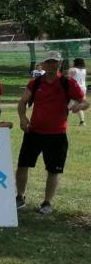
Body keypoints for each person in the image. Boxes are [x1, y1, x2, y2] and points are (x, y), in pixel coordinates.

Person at [16, 51, 88, 214]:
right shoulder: (35, 83)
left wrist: (79, 107)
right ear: (43, 64)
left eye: (54, 62)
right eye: (48, 62)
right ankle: (20, 197)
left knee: (53, 170)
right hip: (33, 132)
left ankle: (47, 203)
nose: (51, 65)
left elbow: (85, 102)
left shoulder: (67, 82)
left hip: (57, 134)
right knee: (22, 166)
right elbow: (22, 102)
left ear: (60, 63)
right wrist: (23, 118)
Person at [68, 58, 86, 125]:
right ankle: (82, 121)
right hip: (83, 88)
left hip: (75, 88)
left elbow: (68, 80)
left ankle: (59, 121)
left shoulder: (72, 69)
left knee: (68, 105)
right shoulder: (84, 70)